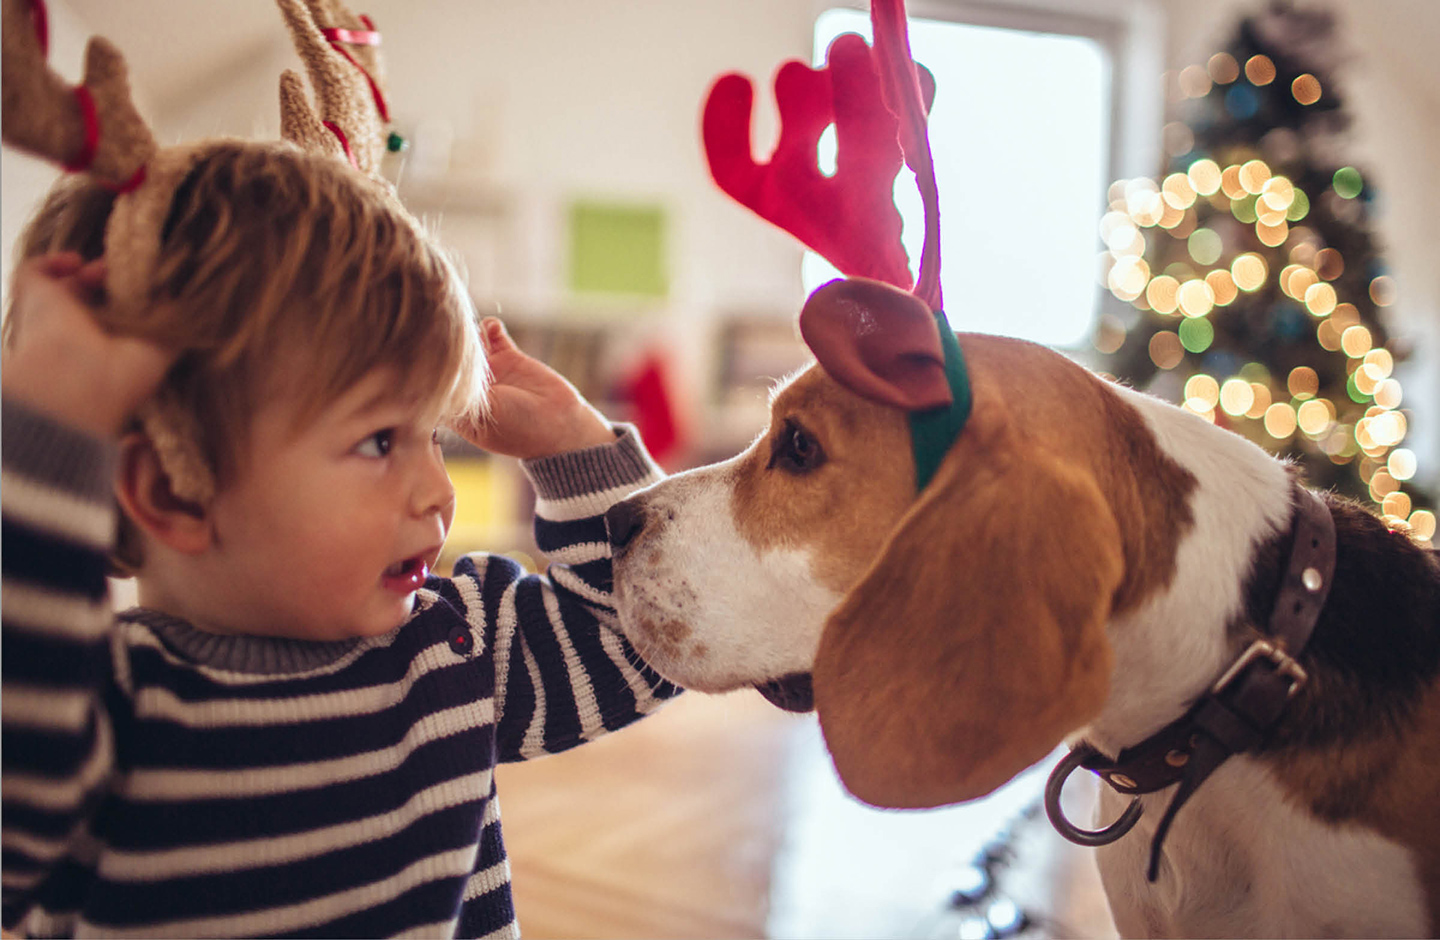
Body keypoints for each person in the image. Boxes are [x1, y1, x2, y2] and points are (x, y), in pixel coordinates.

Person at [0, 144, 681, 939]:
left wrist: (576, 445)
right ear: (174, 489)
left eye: (433, 434)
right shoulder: (93, 719)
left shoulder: (454, 647)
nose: (439, 491)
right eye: (377, 443)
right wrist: (47, 442)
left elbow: (644, 640)